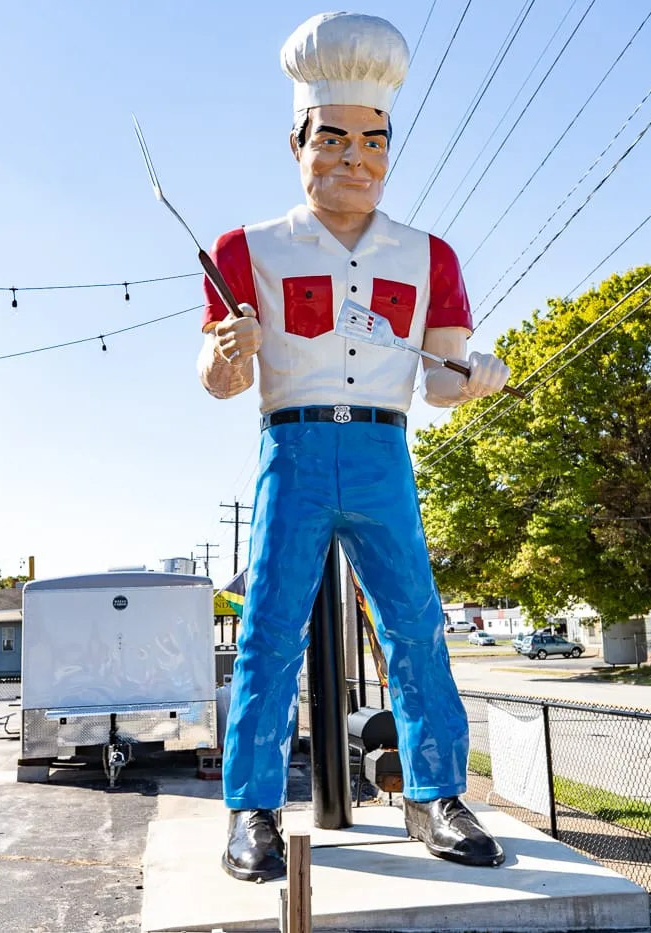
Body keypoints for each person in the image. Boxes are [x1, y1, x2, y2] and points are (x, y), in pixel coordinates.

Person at [197, 11, 512, 882]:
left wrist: (476, 375)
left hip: (383, 449)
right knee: (268, 629)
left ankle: (435, 791)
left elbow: (441, 379)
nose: (355, 159)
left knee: (416, 621)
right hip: (291, 448)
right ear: (296, 139)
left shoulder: (429, 256)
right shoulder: (244, 248)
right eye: (332, 139)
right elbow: (219, 378)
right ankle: (251, 807)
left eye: (374, 142)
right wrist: (226, 354)